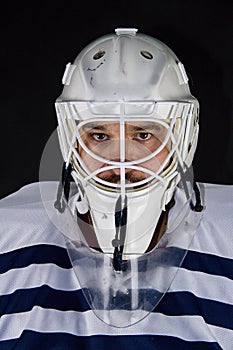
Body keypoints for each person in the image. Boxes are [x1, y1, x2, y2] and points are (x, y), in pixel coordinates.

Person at [0, 28, 232, 349]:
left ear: (182, 140)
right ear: (72, 144)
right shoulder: (10, 244)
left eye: (143, 135)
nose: (120, 158)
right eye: (98, 135)